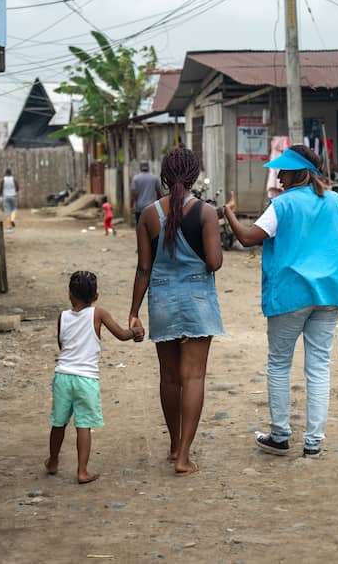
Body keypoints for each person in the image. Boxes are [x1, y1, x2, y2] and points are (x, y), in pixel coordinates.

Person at [223, 145, 338, 458]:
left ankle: (280, 436)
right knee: (319, 367)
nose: (278, 176)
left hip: (290, 295)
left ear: (298, 172)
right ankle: (313, 444)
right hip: (328, 295)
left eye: (283, 170)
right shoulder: (336, 202)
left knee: (280, 364)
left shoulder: (281, 206)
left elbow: (246, 238)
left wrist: (228, 211)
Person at [128, 147, 225, 475]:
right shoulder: (207, 213)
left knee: (169, 378)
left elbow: (143, 269)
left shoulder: (149, 214)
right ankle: (184, 456)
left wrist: (133, 313)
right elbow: (214, 262)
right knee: (193, 376)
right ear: (195, 175)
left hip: (163, 303)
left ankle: (172, 447)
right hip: (198, 304)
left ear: (164, 176)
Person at [46, 271, 139, 483]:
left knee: (58, 423)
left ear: (70, 294)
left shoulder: (63, 317)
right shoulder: (98, 314)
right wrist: (136, 331)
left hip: (63, 376)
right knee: (83, 425)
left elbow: (63, 346)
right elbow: (122, 335)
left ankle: (52, 461)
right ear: (96, 296)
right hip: (86, 379)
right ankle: (82, 471)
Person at [130, 161, 163, 226]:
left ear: (140, 167)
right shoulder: (154, 178)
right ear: (148, 167)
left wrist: (131, 206)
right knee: (152, 225)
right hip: (152, 207)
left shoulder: (135, 178)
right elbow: (159, 193)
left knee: (140, 225)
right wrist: (160, 205)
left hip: (139, 208)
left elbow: (133, 194)